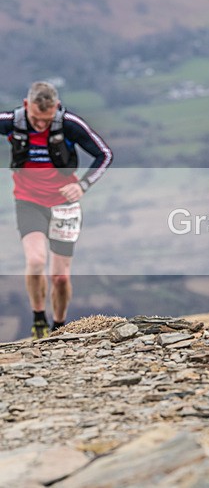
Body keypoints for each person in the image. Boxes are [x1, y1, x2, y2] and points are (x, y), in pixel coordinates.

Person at [2, 81, 113, 339]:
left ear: (57, 107)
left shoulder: (70, 124)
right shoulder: (13, 121)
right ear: (27, 105)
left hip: (65, 206)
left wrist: (83, 185)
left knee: (60, 277)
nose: (41, 125)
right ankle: (39, 318)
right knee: (36, 260)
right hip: (28, 201)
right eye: (36, 119)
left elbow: (104, 154)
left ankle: (60, 327)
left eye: (47, 119)